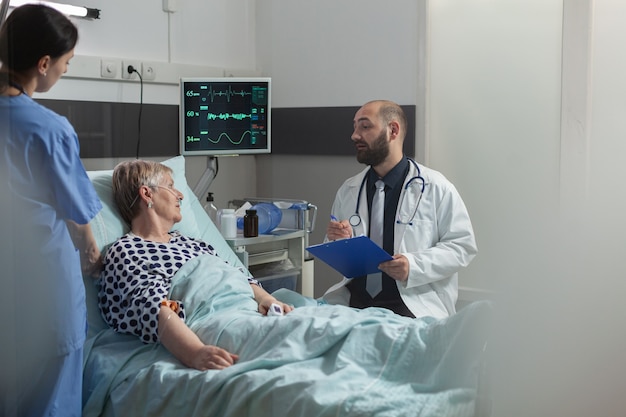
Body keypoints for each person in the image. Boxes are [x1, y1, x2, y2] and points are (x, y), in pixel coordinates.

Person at [0, 5, 102, 417]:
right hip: (44, 292)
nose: (63, 71)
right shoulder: (48, 129)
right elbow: (78, 214)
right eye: (65, 64)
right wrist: (92, 253)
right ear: (43, 63)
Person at [98, 160, 294, 370]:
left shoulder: (190, 242)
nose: (180, 195)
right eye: (171, 186)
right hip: (214, 319)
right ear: (147, 194)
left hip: (251, 310)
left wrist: (267, 299)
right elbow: (154, 307)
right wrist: (194, 352)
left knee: (318, 326)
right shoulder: (128, 250)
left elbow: (237, 273)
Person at [323, 100, 477, 319]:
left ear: (392, 130)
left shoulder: (436, 187)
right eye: (355, 127)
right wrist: (337, 239)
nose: (355, 135)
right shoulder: (349, 189)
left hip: (413, 306)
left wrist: (413, 266)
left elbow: (462, 246)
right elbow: (340, 255)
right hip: (356, 305)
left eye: (365, 126)